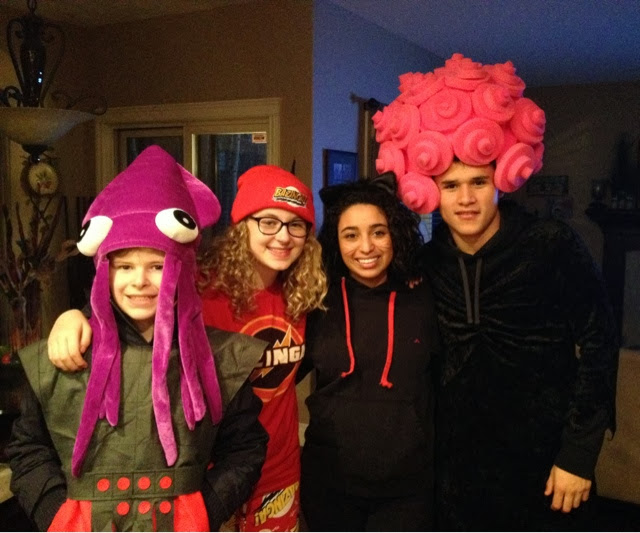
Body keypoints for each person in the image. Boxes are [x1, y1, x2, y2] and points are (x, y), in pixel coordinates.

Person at [372, 53, 619, 530]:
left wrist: (578, 454)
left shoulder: (550, 244)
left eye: (478, 182)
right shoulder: (427, 262)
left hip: (547, 465)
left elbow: (599, 344)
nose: (466, 199)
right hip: (456, 471)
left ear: (501, 180)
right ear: (431, 190)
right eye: (451, 185)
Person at [45, 164, 328, 532]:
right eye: (268, 222)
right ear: (242, 226)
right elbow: (131, 309)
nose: (283, 236)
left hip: (279, 470)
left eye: (296, 225)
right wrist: (74, 316)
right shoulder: (198, 288)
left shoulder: (302, 293)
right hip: (206, 480)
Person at [7, 146, 268, 531]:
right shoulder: (66, 350)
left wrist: (205, 511)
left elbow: (245, 448)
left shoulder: (219, 356)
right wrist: (57, 516)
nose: (140, 281)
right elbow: (28, 449)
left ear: (182, 270)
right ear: (103, 271)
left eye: (158, 266)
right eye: (125, 266)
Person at [297, 174, 441, 531]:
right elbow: (278, 378)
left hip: (407, 488)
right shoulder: (315, 301)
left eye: (378, 232)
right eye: (351, 235)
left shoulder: (427, 294)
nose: (366, 247)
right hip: (329, 482)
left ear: (396, 234)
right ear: (335, 241)